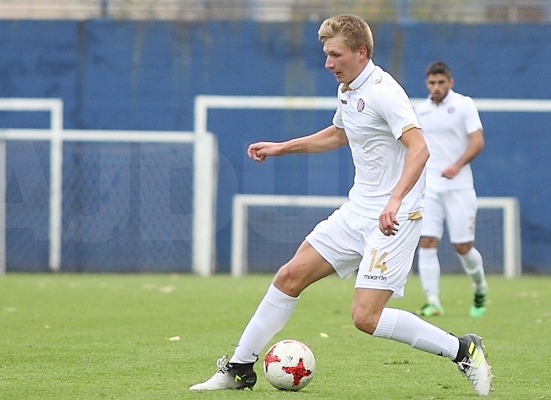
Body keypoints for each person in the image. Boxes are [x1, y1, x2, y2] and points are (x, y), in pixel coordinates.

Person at [189, 15, 492, 396]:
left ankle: (462, 349)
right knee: (289, 277)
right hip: (358, 211)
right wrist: (283, 147)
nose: (328, 63)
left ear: (361, 53)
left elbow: (421, 149)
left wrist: (395, 200)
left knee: (365, 317)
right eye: (326, 54)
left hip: (393, 219)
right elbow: (339, 133)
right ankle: (239, 368)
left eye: (335, 55)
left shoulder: (385, 91)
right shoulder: (348, 88)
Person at [414, 61, 487, 318]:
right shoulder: (420, 111)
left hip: (459, 186)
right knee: (427, 241)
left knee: (463, 247)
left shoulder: (464, 105)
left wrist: (456, 165)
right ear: (427, 84)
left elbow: (477, 142)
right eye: (432, 83)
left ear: (450, 82)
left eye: (441, 82)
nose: (436, 87)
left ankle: (479, 288)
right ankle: (433, 301)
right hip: (430, 186)